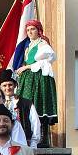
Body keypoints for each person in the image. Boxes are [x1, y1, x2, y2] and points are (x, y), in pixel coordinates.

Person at [15, 19, 58, 147]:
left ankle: (43, 138)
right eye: (28, 30)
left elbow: (46, 61)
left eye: (32, 29)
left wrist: (26, 67)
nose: (30, 32)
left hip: (39, 78)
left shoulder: (42, 44)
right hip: (28, 79)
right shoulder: (29, 46)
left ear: (38, 30)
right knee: (26, 105)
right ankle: (28, 136)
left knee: (40, 103)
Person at [0, 69, 41, 149]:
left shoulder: (26, 103)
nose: (7, 88)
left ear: (15, 85)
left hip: (23, 144)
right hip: (2, 145)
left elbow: (35, 124)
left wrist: (33, 144)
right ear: (0, 87)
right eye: (4, 85)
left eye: (10, 85)